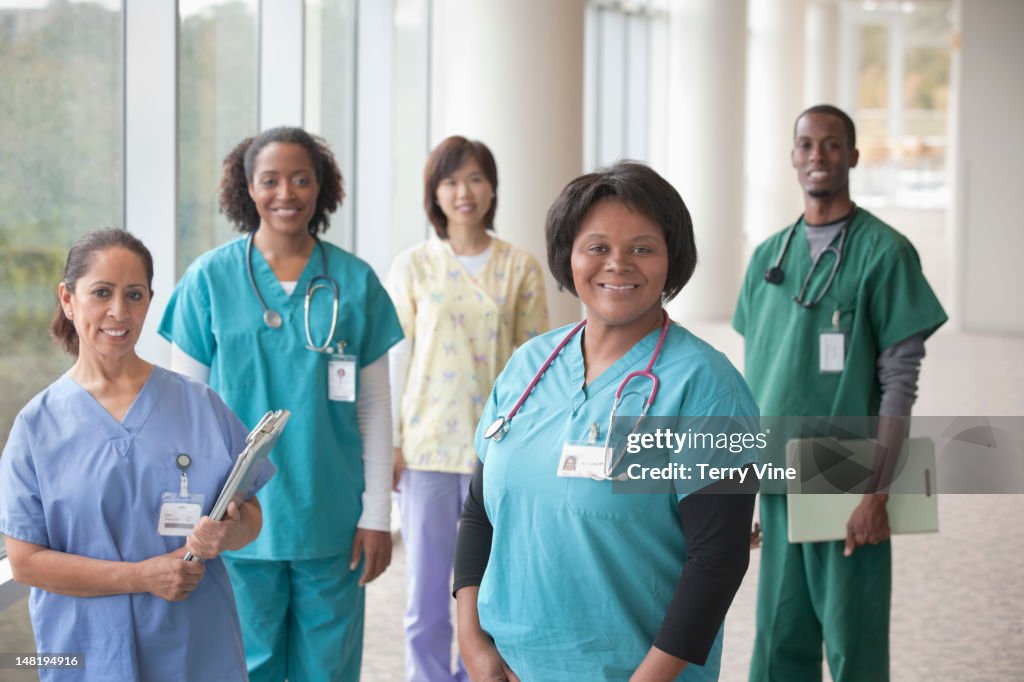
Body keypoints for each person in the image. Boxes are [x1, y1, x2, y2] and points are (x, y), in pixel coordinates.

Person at [453, 161, 761, 681]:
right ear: (568, 257)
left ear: (672, 260)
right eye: (597, 247)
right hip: (508, 667)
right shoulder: (529, 365)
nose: (618, 264)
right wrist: (471, 640)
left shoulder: (705, 388)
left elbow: (718, 561)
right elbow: (479, 511)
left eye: (642, 248)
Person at [159, 127, 403, 682]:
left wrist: (377, 515)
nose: (285, 193)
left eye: (301, 179)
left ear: (322, 188)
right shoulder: (209, 280)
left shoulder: (354, 281)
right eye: (270, 180)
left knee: (329, 670)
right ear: (248, 188)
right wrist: (187, 514)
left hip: (330, 516)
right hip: (234, 519)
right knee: (247, 667)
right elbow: (183, 412)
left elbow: (374, 410)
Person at [733, 105, 948, 682]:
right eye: (805, 145)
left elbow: (900, 385)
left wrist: (877, 492)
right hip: (779, 477)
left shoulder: (886, 253)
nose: (817, 157)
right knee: (779, 642)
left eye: (832, 145)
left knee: (853, 640)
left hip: (848, 477)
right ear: (792, 157)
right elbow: (756, 381)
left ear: (853, 156)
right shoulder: (766, 259)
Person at [0, 228, 273, 681]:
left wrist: (227, 533)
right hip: (83, 653)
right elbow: (26, 561)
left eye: (134, 295)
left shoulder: (199, 404)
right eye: (101, 293)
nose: (118, 312)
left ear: (150, 300)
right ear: (68, 299)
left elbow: (250, 517)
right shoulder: (36, 426)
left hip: (194, 646)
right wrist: (141, 577)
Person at [386, 135, 549, 682]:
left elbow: (538, 371)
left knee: (492, 595)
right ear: (434, 192)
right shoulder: (412, 266)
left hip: (499, 453)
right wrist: (392, 443)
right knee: (427, 597)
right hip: (428, 450)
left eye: (475, 178)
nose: (464, 191)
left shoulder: (519, 267)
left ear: (493, 188)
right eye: (451, 180)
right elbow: (396, 363)